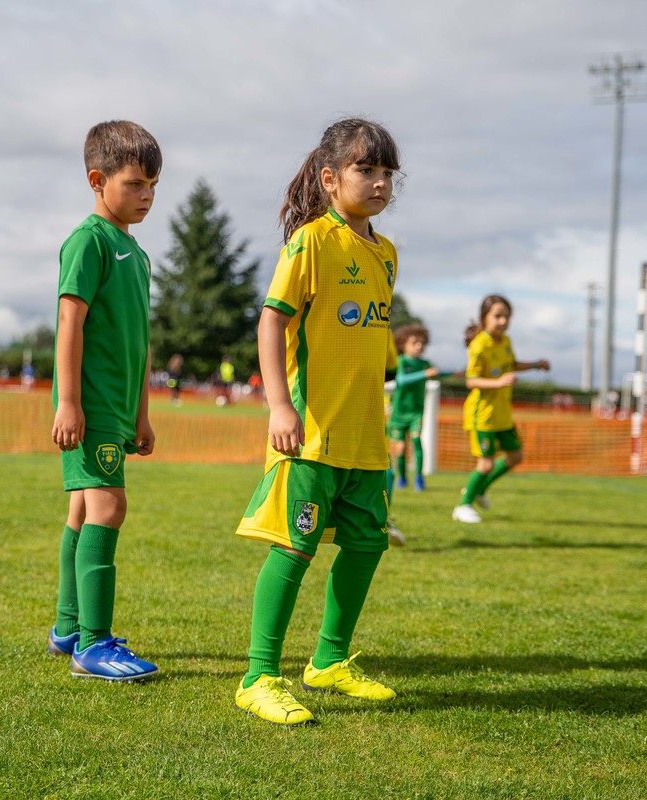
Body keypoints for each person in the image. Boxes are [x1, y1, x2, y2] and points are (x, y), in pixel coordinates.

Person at [233, 118, 401, 725]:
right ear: (330, 179)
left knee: (367, 543)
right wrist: (280, 406)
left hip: (366, 436)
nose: (380, 182)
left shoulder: (386, 254)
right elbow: (272, 321)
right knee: (294, 547)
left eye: (388, 173)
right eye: (366, 169)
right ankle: (258, 677)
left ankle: (329, 662)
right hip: (312, 432)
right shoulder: (310, 242)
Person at [47, 120, 162, 681]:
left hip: (119, 409)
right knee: (109, 507)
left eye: (153, 186)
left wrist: (142, 413)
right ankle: (93, 646)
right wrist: (69, 403)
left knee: (82, 508)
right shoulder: (88, 241)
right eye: (135, 183)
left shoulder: (137, 255)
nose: (146, 196)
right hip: (90, 406)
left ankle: (69, 626)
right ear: (97, 180)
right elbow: (70, 323)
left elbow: (140, 342)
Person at [452, 295, 550, 524]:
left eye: (507, 316)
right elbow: (471, 380)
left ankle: (479, 490)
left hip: (502, 414)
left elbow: (511, 365)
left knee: (515, 456)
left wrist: (536, 364)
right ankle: (462, 506)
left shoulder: (505, 341)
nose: (503, 321)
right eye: (498, 316)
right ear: (484, 317)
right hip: (483, 415)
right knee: (486, 464)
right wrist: (498, 382)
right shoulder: (479, 345)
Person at [388, 323, 441, 492]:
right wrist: (425, 374)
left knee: (417, 440)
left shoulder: (425, 363)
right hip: (399, 413)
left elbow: (435, 374)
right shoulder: (401, 361)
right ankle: (402, 477)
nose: (419, 346)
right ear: (403, 345)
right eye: (414, 342)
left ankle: (419, 478)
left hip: (416, 412)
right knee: (401, 447)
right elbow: (401, 380)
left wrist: (454, 374)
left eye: (422, 343)